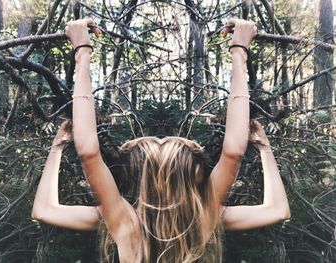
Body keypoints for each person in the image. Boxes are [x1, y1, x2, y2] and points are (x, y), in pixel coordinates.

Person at [32, 18, 290, 262]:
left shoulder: (125, 222)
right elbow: (267, 198)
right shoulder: (201, 220)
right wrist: (239, 51)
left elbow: (48, 205)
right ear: (193, 174)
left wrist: (83, 52)